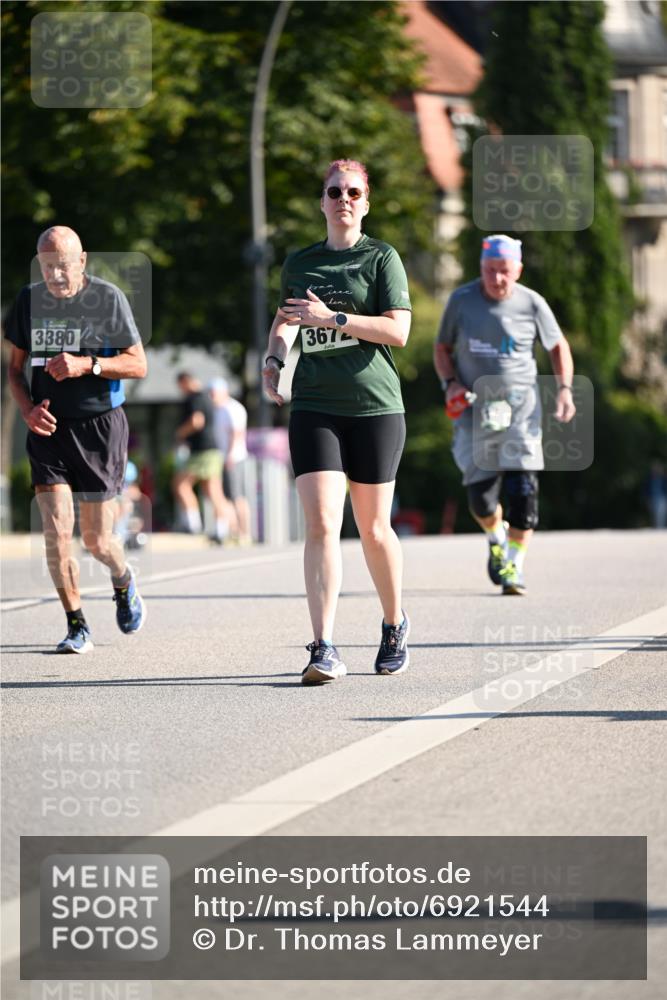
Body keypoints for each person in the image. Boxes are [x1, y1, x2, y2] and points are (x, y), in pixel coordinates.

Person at [262, 158, 412, 685]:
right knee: (323, 523)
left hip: (375, 407)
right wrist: (274, 360)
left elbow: (398, 332)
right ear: (322, 202)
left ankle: (393, 623)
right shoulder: (300, 263)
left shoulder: (381, 258)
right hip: (314, 405)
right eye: (334, 192)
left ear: (365, 203)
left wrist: (335, 318)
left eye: (352, 192)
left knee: (373, 529)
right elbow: (286, 321)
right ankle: (323, 646)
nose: (343, 199)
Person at [4, 225, 147, 652]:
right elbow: (14, 370)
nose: (55, 275)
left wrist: (88, 365)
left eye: (63, 265)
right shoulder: (29, 301)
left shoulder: (107, 298)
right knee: (56, 532)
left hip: (99, 428)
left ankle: (122, 578)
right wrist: (27, 409)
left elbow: (138, 364)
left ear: (81, 261)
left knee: (97, 541)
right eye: (47, 266)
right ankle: (76, 623)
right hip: (48, 430)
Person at [433, 234, 577, 595]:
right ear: (481, 267)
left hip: (521, 413)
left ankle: (513, 566)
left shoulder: (532, 303)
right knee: (481, 500)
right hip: (473, 411)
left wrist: (564, 389)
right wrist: (450, 383)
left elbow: (557, 345)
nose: (496, 279)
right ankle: (496, 536)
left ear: (518, 270)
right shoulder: (462, 300)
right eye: (489, 270)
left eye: (504, 271)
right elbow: (442, 348)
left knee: (523, 492)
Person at [172, 372, 228, 543]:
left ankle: (193, 524)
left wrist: (180, 433)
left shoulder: (194, 398)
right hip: (210, 450)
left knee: (181, 485)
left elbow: (197, 421)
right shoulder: (206, 397)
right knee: (212, 490)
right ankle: (220, 529)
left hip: (202, 451)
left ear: (185, 382)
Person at [209, 378, 252, 545]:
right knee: (225, 497)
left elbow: (237, 433)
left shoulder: (233, 408)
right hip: (221, 458)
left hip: (234, 458)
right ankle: (233, 531)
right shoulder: (218, 409)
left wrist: (231, 455)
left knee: (237, 496)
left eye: (214, 393)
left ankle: (244, 533)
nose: (212, 397)